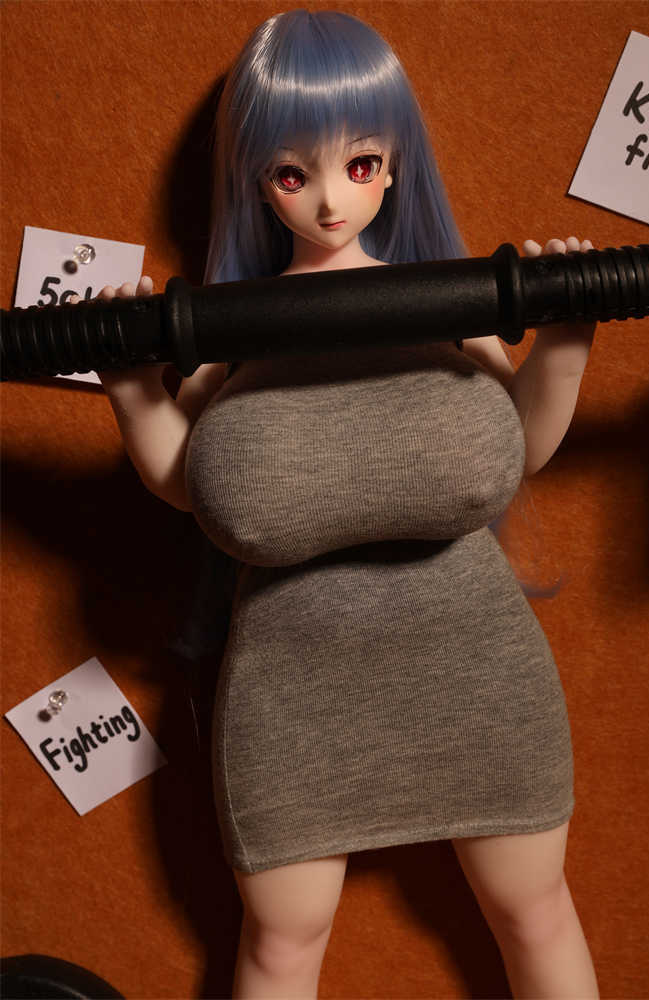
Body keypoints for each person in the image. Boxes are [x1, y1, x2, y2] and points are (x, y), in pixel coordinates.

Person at [76, 10, 600, 999]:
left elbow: (520, 445)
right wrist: (129, 382)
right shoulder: (236, 328)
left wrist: (568, 337)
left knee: (537, 911)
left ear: (394, 165)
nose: (328, 200)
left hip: (476, 669)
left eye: (360, 164)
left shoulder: (446, 300)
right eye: (293, 174)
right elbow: (187, 479)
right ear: (256, 181)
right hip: (292, 689)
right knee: (280, 944)